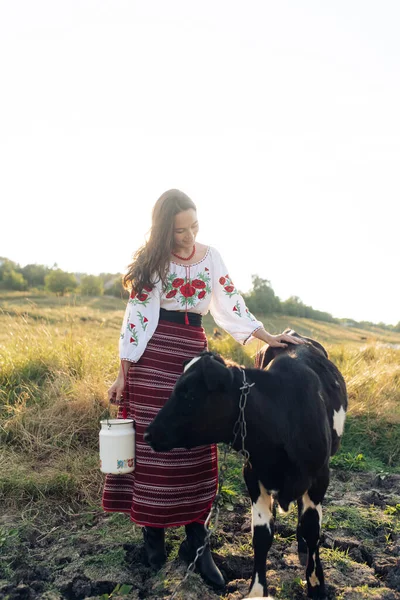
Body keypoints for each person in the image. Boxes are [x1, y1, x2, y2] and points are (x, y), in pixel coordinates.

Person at [102, 189, 303, 589]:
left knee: (197, 445)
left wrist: (266, 337)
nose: (188, 236)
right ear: (163, 230)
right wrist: (123, 372)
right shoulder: (152, 262)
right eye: (179, 230)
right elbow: (136, 318)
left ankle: (197, 542)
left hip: (193, 358)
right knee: (151, 447)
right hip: (152, 361)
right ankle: (153, 537)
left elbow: (230, 302)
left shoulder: (210, 258)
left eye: (194, 226)